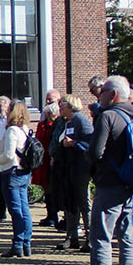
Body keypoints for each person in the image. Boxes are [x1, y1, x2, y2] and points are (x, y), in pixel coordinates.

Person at [74, 76, 133, 265]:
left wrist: (88, 158)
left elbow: (95, 152)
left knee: (101, 237)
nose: (99, 96)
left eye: (102, 93)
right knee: (128, 238)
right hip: (132, 184)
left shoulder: (108, 116)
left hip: (110, 183)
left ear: (113, 95)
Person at [0, 101, 33, 257]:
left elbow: (9, 155)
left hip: (12, 172)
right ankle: (26, 244)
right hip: (24, 172)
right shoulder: (26, 129)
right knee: (24, 209)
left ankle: (18, 244)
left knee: (16, 210)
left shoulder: (12, 130)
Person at [55, 97, 92, 250]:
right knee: (70, 202)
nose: (59, 108)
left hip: (81, 168)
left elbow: (91, 142)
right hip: (69, 167)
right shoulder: (67, 122)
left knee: (84, 202)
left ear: (70, 106)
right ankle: (71, 237)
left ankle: (90, 237)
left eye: (62, 105)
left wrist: (73, 143)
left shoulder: (81, 120)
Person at [35, 90, 61, 227]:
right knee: (46, 186)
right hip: (43, 158)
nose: (48, 102)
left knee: (54, 186)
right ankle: (50, 214)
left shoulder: (57, 123)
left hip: (52, 158)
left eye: (51, 99)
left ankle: (55, 215)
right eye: (47, 99)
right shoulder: (42, 121)